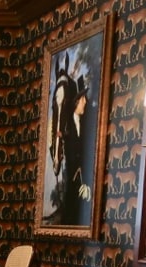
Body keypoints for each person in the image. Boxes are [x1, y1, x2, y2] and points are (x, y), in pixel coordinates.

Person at [60, 75, 92, 226]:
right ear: (76, 102)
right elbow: (71, 154)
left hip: (82, 177)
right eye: (82, 99)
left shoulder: (86, 124)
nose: (85, 101)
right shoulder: (68, 126)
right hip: (73, 177)